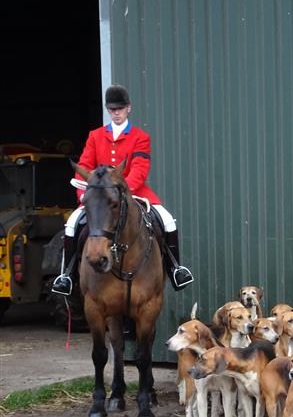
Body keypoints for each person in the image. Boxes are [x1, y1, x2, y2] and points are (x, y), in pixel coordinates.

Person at [52, 84, 194, 294]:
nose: (116, 113)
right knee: (72, 223)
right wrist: (84, 195)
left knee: (167, 220)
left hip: (134, 192)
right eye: (112, 109)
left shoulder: (140, 137)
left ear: (129, 108)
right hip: (100, 197)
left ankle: (175, 269)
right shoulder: (95, 136)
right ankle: (68, 275)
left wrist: (123, 191)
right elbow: (84, 166)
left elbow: (139, 168)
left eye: (120, 109)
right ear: (108, 110)